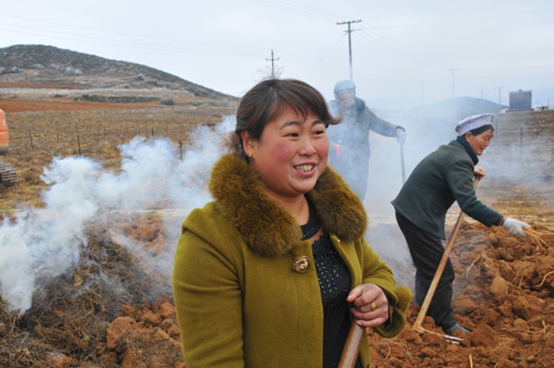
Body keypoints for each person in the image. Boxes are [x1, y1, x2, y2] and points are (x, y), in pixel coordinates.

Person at [173, 78, 412, 368]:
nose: (310, 148)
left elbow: (375, 270)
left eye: (318, 132)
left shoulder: (333, 211)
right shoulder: (210, 237)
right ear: (249, 142)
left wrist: (377, 293)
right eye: (293, 134)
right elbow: (215, 361)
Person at [391, 113, 529, 335]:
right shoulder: (459, 160)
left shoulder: (453, 152)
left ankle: (426, 309)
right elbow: (469, 204)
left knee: (429, 267)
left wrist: (469, 170)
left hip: (411, 212)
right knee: (442, 271)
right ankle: (446, 324)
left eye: (490, 139)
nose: (487, 143)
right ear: (469, 135)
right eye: (484, 137)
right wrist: (504, 221)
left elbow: (447, 168)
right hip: (417, 216)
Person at [327, 80, 407, 200]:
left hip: (361, 165)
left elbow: (380, 124)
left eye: (350, 91)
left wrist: (397, 130)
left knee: (359, 198)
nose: (348, 95)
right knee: (340, 199)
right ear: (337, 97)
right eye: (343, 93)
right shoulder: (330, 114)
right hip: (339, 166)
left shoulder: (363, 112)